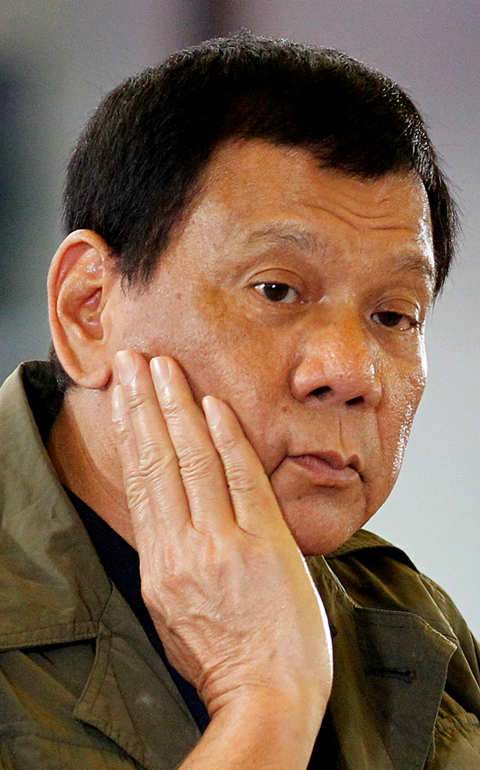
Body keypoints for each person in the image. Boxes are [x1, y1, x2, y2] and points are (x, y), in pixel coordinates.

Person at [0, 31, 478, 769]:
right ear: (90, 308)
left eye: (393, 316)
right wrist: (268, 698)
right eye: (276, 290)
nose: (352, 373)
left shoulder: (410, 617)